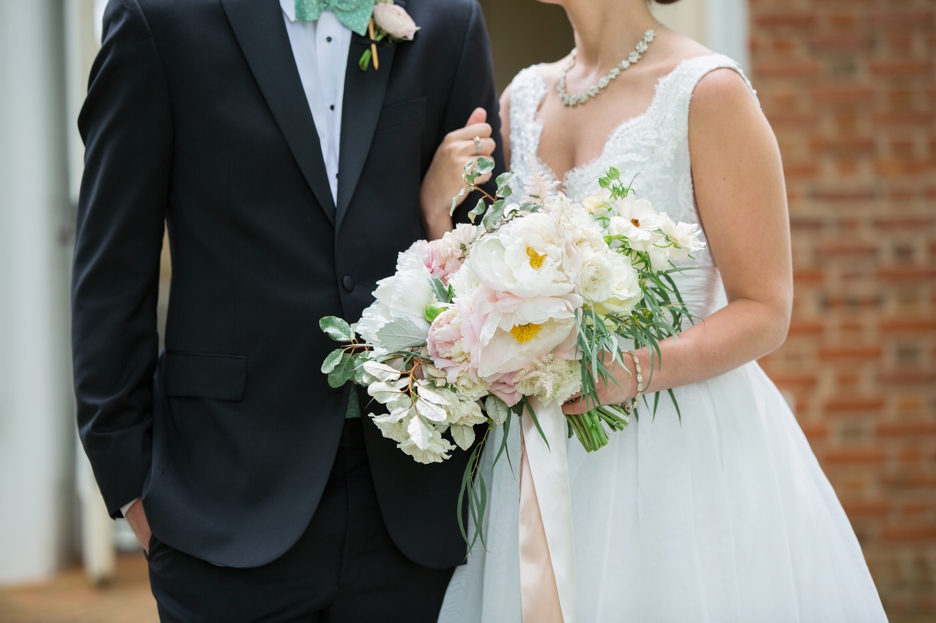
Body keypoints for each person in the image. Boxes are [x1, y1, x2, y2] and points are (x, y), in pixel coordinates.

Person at [435, 0, 888, 620]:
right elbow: (492, 274)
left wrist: (635, 370)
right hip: (537, 446)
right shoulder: (523, 97)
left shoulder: (707, 91)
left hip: (674, 441)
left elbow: (766, 307)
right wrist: (439, 208)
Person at [72, 0, 502, 620]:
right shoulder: (157, 18)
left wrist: (438, 209)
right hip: (222, 499)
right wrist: (133, 488)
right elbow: (111, 270)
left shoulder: (447, 19)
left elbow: (484, 247)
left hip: (411, 500)